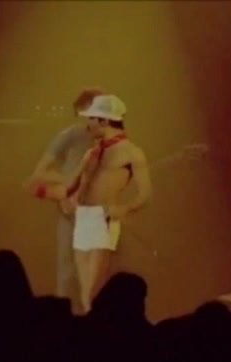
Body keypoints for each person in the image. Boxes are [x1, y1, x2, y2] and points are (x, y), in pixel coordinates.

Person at [27, 94, 152, 313]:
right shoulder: (91, 153)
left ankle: (97, 328)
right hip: (83, 218)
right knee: (85, 292)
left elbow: (145, 193)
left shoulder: (132, 153)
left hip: (103, 218)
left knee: (94, 290)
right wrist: (42, 191)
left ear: (104, 120)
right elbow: (70, 186)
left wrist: (124, 208)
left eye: (92, 119)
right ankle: (88, 327)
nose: (88, 124)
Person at [26, 88, 104, 306]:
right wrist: (68, 183)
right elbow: (39, 173)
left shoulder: (110, 141)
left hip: (98, 216)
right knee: (67, 274)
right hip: (71, 215)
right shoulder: (72, 135)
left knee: (96, 278)